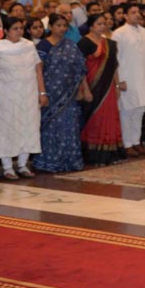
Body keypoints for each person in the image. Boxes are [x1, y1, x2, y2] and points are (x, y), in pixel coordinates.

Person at [0, 16, 47, 179]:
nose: (19, 31)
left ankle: (22, 164)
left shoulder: (29, 46)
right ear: (5, 31)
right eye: (15, 29)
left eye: (21, 28)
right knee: (7, 129)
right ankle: (7, 167)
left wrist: (42, 92)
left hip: (28, 94)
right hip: (6, 95)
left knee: (28, 126)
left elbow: (38, 70)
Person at [34, 13, 89, 173]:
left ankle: (70, 161)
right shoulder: (43, 46)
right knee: (51, 128)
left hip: (69, 95)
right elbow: (38, 71)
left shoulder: (71, 45)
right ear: (50, 27)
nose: (62, 29)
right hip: (51, 94)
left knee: (70, 127)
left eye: (65, 26)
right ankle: (49, 162)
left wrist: (84, 89)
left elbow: (80, 69)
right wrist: (42, 92)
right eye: (58, 25)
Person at [77, 14, 124, 164]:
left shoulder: (110, 44)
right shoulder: (84, 43)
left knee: (109, 118)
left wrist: (116, 85)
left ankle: (110, 154)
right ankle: (93, 156)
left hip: (108, 87)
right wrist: (85, 89)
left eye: (104, 23)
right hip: (92, 86)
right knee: (94, 120)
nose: (102, 26)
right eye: (99, 24)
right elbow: (80, 69)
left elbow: (114, 67)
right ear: (91, 26)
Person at [114, 3, 145, 156]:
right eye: (133, 12)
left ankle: (136, 142)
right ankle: (127, 144)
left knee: (139, 111)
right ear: (125, 16)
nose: (137, 15)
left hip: (143, 78)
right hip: (128, 79)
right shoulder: (119, 33)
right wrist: (121, 80)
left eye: (138, 12)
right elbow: (116, 58)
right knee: (127, 112)